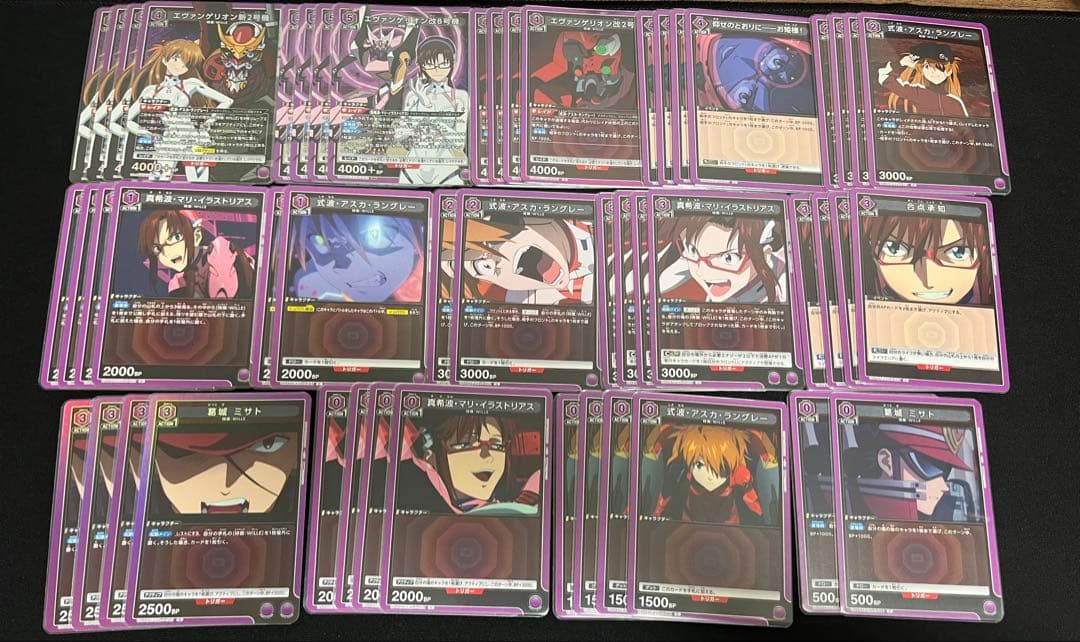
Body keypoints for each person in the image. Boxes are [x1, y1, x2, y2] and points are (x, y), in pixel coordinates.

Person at [877, 43, 968, 117]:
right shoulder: (918, 93)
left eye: (939, 68)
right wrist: (900, 63)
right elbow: (884, 78)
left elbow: (966, 130)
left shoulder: (955, 102)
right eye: (927, 67)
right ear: (921, 70)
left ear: (949, 71)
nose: (932, 72)